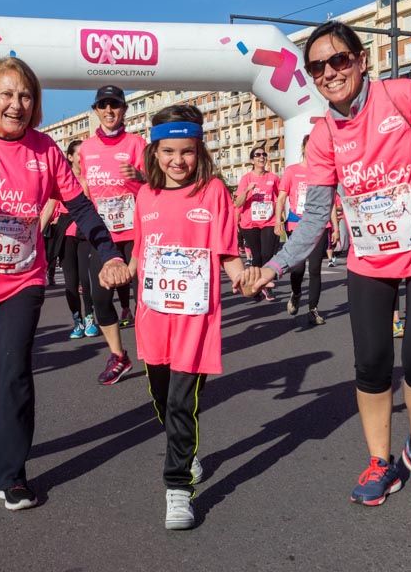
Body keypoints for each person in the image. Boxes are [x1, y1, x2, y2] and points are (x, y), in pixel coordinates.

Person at [241, 21, 411, 508]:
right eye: (317, 67)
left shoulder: (403, 96)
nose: (329, 72)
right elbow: (313, 216)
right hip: (370, 261)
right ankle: (381, 460)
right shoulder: (324, 136)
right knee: (372, 365)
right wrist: (274, 264)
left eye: (339, 60)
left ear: (360, 60)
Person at [0, 57, 130, 510]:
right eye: (7, 94)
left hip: (22, 277)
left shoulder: (46, 150)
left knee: (13, 372)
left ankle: (12, 473)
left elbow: (82, 209)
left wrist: (109, 252)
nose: (17, 104)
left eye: (26, 95)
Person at [130, 104, 244, 530]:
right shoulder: (145, 196)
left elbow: (227, 251)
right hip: (153, 317)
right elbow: (139, 254)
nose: (178, 161)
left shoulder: (213, 191)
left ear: (200, 151)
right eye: (168, 152)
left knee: (181, 403)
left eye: (187, 151)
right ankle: (187, 452)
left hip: (196, 320)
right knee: (162, 399)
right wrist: (123, 269)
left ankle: (178, 489)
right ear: (154, 153)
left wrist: (243, 275)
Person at [77, 85, 146, 385]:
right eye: (103, 105)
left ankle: (155, 352)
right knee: (100, 299)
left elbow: (153, 187)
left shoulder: (137, 143)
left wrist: (140, 177)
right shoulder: (86, 149)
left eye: (114, 105)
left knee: (144, 296)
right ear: (95, 111)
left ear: (124, 110)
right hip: (102, 236)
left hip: (136, 231)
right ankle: (119, 355)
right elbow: (85, 190)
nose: (109, 111)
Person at [276, 136, 332, 325]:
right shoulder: (292, 171)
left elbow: (329, 200)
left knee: (315, 268)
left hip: (319, 226)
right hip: (297, 225)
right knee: (298, 267)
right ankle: (297, 292)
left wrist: (336, 228)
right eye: (311, 146)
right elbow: (282, 198)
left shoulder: (322, 171)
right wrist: (278, 220)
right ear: (304, 148)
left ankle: (313, 310)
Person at [56, 139, 98, 339]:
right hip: (65, 237)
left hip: (85, 236)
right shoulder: (62, 179)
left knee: (86, 280)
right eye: (79, 155)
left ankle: (90, 318)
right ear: (70, 157)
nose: (83, 159)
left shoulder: (91, 178)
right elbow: (50, 205)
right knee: (70, 283)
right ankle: (77, 321)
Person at [235, 146, 281, 302]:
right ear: (252, 160)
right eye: (258, 155)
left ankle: (266, 287)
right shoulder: (246, 179)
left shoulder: (273, 178)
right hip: (250, 223)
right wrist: (247, 191)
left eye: (264, 154)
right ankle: (255, 286)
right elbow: (238, 203)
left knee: (268, 254)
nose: (262, 157)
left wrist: (279, 218)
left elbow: (279, 198)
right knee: (257, 256)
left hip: (269, 221)